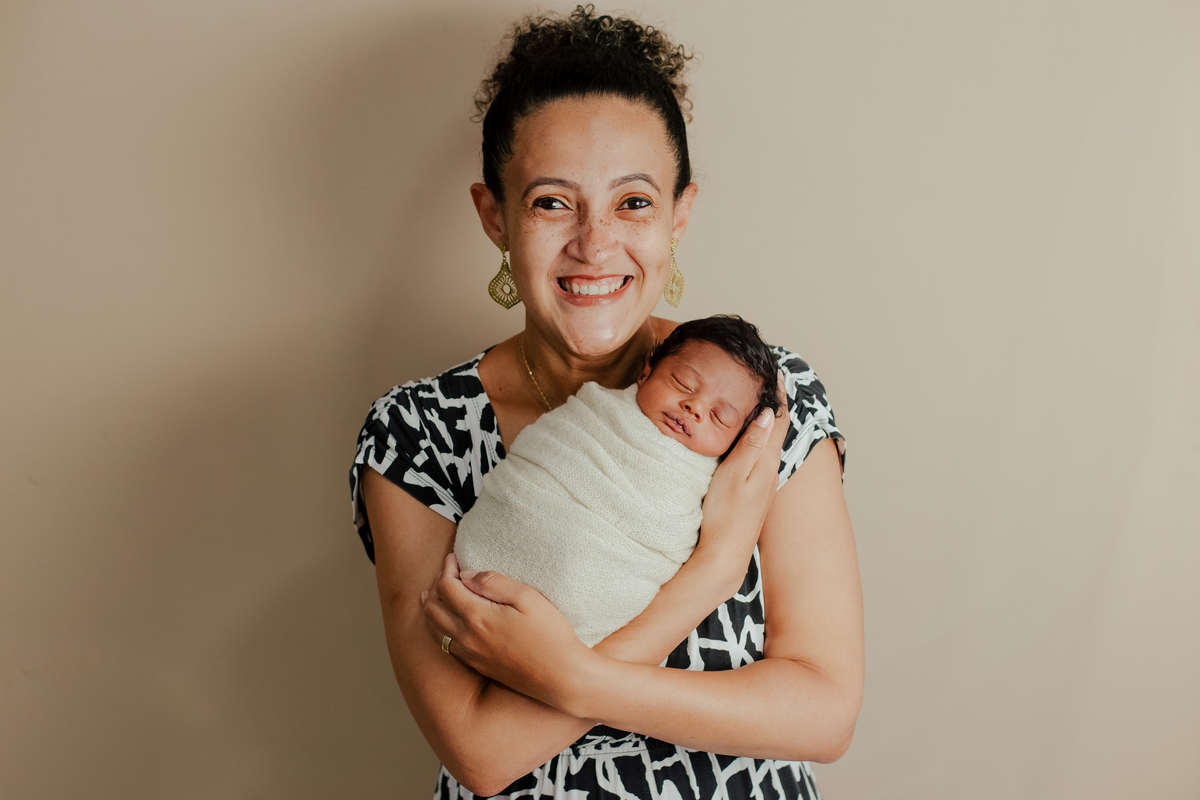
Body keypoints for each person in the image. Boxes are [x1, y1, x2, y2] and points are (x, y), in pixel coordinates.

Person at [349, 7, 863, 798]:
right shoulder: (419, 433)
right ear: (495, 217)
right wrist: (711, 571)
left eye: (634, 203)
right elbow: (481, 753)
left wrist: (570, 677)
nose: (595, 244)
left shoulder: (760, 405)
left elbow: (823, 713)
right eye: (552, 203)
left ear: (679, 215)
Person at [454, 316, 784, 648]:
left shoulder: (713, 478)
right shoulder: (594, 412)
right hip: (490, 552)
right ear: (646, 372)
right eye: (683, 383)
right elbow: (540, 454)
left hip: (589, 613)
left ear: (737, 439)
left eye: (719, 416)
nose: (695, 406)